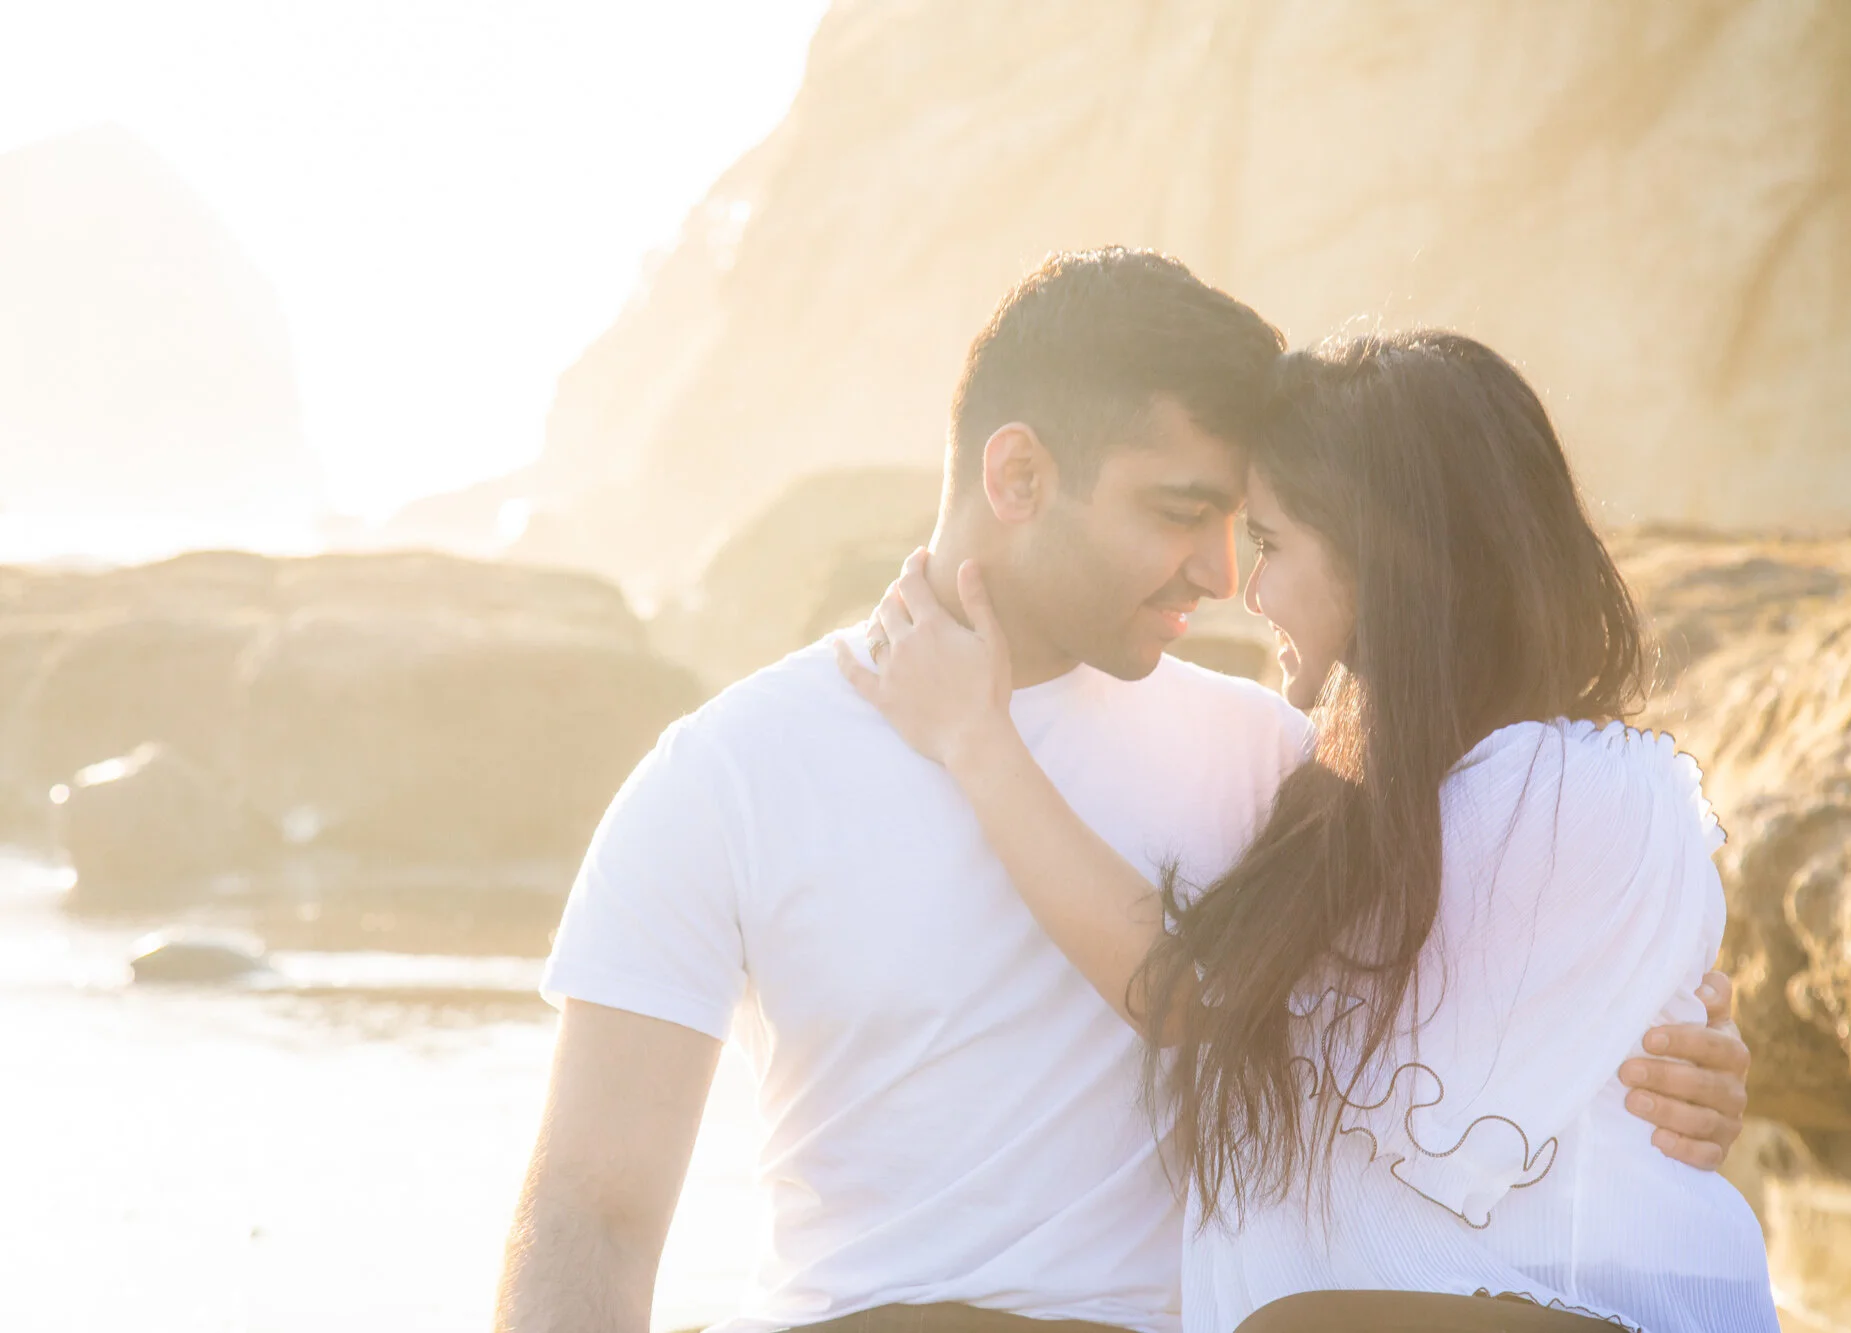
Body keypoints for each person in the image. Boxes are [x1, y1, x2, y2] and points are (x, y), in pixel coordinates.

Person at [495, 253, 1753, 1333]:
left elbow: (1472, 1003)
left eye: (1246, 527)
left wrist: (1665, 1063)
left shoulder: (1281, 761)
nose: (1216, 574)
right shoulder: (728, 772)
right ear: (1019, 477)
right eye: (1178, 512)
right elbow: (588, 1210)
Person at [841, 329, 1778, 1332]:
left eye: (1272, 542)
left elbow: (1189, 993)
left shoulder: (1564, 788)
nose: (1245, 589)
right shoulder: (1349, 794)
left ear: (1385, 557)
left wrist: (976, 741)